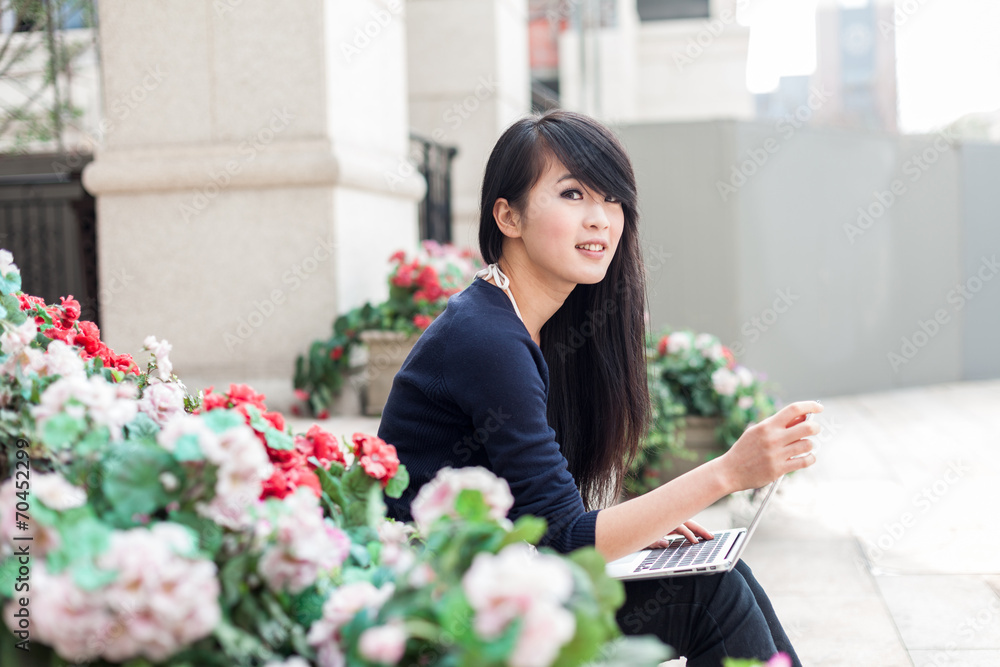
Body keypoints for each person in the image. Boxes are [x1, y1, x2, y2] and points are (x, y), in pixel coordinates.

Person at [378, 109, 822, 667]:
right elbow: (565, 538)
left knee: (717, 571)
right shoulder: (486, 339)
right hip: (442, 614)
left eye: (611, 199)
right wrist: (728, 472)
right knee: (710, 597)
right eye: (572, 195)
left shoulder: (527, 326)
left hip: (495, 583)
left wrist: (640, 525)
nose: (600, 219)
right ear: (508, 216)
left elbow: (543, 519)